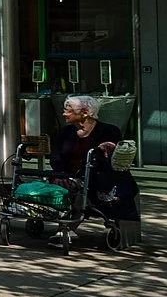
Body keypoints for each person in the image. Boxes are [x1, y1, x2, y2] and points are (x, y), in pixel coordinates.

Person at [56, 94, 141, 246]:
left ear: (85, 113)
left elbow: (111, 160)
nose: (64, 114)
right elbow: (56, 158)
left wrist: (108, 150)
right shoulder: (65, 132)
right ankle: (64, 227)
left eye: (68, 110)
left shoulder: (109, 131)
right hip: (68, 176)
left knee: (83, 189)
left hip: (99, 178)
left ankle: (67, 229)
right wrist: (63, 174)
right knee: (58, 187)